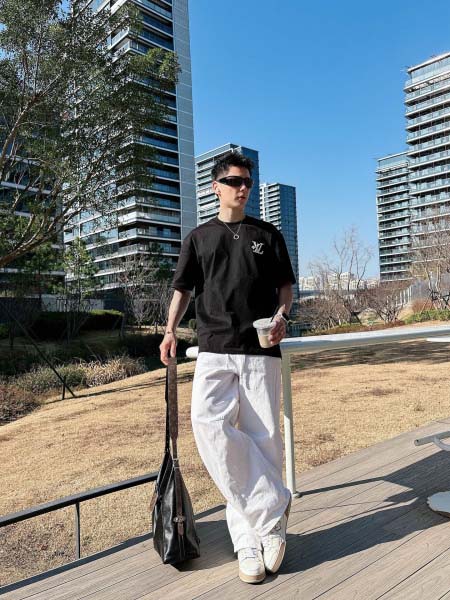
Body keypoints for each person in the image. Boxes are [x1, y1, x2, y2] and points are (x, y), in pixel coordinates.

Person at [159, 151, 296, 584]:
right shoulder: (199, 238)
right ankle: (273, 507)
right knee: (208, 427)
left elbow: (285, 287)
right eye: (235, 181)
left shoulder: (268, 234)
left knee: (264, 439)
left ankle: (250, 540)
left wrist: (282, 316)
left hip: (260, 349)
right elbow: (182, 290)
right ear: (216, 186)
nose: (243, 188)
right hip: (214, 347)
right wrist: (170, 331)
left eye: (248, 182)